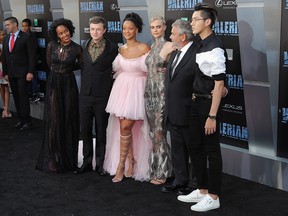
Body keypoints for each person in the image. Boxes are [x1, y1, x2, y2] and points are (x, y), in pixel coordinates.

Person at [177, 3, 227, 212]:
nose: (192, 22)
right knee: (195, 147)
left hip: (208, 105)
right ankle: (203, 189)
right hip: (195, 101)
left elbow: (219, 84)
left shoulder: (215, 46)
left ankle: (214, 196)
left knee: (211, 150)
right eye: (191, 19)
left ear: (208, 22)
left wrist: (212, 116)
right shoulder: (199, 42)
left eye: (196, 19)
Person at [103, 12, 152, 182]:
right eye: (124, 28)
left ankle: (121, 166)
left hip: (137, 90)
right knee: (124, 128)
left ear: (137, 29)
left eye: (130, 28)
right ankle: (131, 161)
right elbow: (117, 70)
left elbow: (151, 71)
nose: (127, 31)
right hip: (122, 90)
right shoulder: (121, 49)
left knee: (125, 127)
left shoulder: (145, 48)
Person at [36, 18, 83, 173]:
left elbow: (81, 64)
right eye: (61, 33)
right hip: (54, 85)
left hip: (69, 85)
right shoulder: (51, 46)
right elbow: (50, 64)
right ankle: (52, 158)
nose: (65, 35)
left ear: (70, 30)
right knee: (53, 120)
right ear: (56, 35)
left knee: (68, 119)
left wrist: (68, 68)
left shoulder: (77, 48)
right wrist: (61, 69)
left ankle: (67, 159)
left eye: (66, 31)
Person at [159, 19, 198, 195]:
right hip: (173, 111)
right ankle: (180, 180)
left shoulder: (197, 53)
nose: (170, 36)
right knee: (177, 149)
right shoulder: (174, 53)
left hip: (190, 112)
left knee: (194, 150)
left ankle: (195, 185)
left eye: (173, 33)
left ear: (183, 36)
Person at [75, 16, 118, 175]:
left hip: (102, 96)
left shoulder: (113, 48)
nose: (95, 32)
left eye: (98, 29)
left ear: (104, 30)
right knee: (85, 130)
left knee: (101, 130)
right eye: (92, 29)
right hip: (85, 95)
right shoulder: (82, 46)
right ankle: (86, 161)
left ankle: (100, 164)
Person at [144, 16, 172, 185]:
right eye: (152, 27)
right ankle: (155, 168)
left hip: (161, 93)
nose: (155, 29)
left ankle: (163, 172)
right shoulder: (153, 46)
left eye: (158, 26)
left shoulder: (169, 45)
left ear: (165, 27)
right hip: (149, 93)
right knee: (153, 133)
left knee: (159, 132)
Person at [2, 17, 37, 130]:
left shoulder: (27, 37)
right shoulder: (6, 38)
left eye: (8, 25)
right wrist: (5, 73)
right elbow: (5, 56)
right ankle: (21, 119)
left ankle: (27, 120)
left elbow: (32, 56)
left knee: (23, 97)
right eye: (6, 25)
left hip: (23, 73)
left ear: (14, 24)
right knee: (16, 97)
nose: (6, 27)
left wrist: (30, 72)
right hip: (11, 74)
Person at [22, 18, 40, 103]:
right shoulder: (22, 35)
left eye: (26, 26)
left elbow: (34, 48)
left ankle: (35, 94)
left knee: (33, 78)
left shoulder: (31, 35)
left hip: (32, 61)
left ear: (29, 26)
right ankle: (29, 94)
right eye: (23, 26)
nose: (24, 28)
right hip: (25, 62)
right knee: (28, 79)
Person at [0, 29, 12, 118]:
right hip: (0, 67)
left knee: (6, 87)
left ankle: (6, 109)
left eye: (4, 34)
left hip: (7, 68)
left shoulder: (8, 43)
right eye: (1, 35)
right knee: (2, 88)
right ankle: (5, 107)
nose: (3, 36)